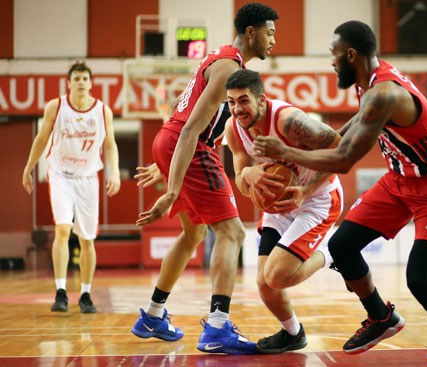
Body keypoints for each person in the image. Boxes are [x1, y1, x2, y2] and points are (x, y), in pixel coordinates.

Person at [253, 20, 427, 364]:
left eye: (333, 55)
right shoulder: (367, 84)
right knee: (341, 245)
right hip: (399, 181)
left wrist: (286, 152)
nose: (331, 61)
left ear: (350, 55)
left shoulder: (382, 94)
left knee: (417, 278)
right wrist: (306, 187)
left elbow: (343, 160)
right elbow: (343, 138)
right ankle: (381, 316)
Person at [130, 3, 279, 355]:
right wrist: (171, 188)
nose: (274, 40)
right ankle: (216, 327)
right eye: (270, 32)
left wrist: (165, 162)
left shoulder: (220, 58)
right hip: (192, 145)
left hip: (174, 141)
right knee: (232, 232)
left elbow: (180, 117)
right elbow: (192, 128)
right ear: (252, 33)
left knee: (194, 232)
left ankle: (152, 315)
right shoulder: (228, 66)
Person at [224, 69, 343, 353]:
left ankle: (332, 253)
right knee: (265, 284)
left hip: (316, 199)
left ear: (261, 100)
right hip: (278, 205)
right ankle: (294, 333)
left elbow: (341, 150)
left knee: (276, 276)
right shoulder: (233, 128)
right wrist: (249, 174)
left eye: (243, 101)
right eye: (231, 102)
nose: (237, 109)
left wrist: (306, 190)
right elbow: (241, 181)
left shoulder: (289, 121)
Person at [22, 61, 120, 313]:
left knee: (87, 240)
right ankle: (61, 291)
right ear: (69, 82)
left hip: (88, 178)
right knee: (63, 230)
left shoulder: (102, 111)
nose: (80, 83)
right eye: (76, 79)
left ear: (90, 83)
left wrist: (115, 172)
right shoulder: (56, 107)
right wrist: (28, 168)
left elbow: (109, 144)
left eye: (84, 79)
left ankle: (86, 294)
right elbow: (41, 138)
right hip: (61, 176)